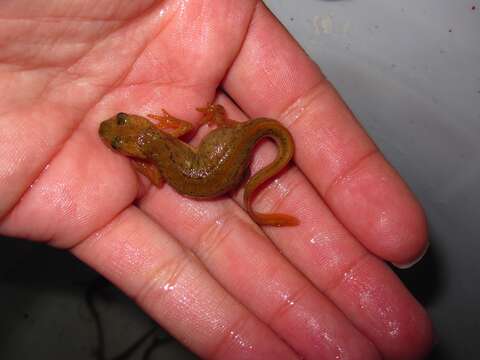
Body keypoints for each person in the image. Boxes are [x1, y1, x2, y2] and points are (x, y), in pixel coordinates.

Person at [0, 1, 432, 359]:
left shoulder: (151, 154)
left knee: (220, 153)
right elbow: (178, 143)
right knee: (219, 147)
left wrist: (143, 164)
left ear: (135, 135)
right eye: (120, 134)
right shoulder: (158, 136)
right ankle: (242, 154)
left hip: (218, 169)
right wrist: (207, 126)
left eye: (121, 126)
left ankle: (245, 157)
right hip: (220, 165)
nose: (118, 126)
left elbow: (164, 180)